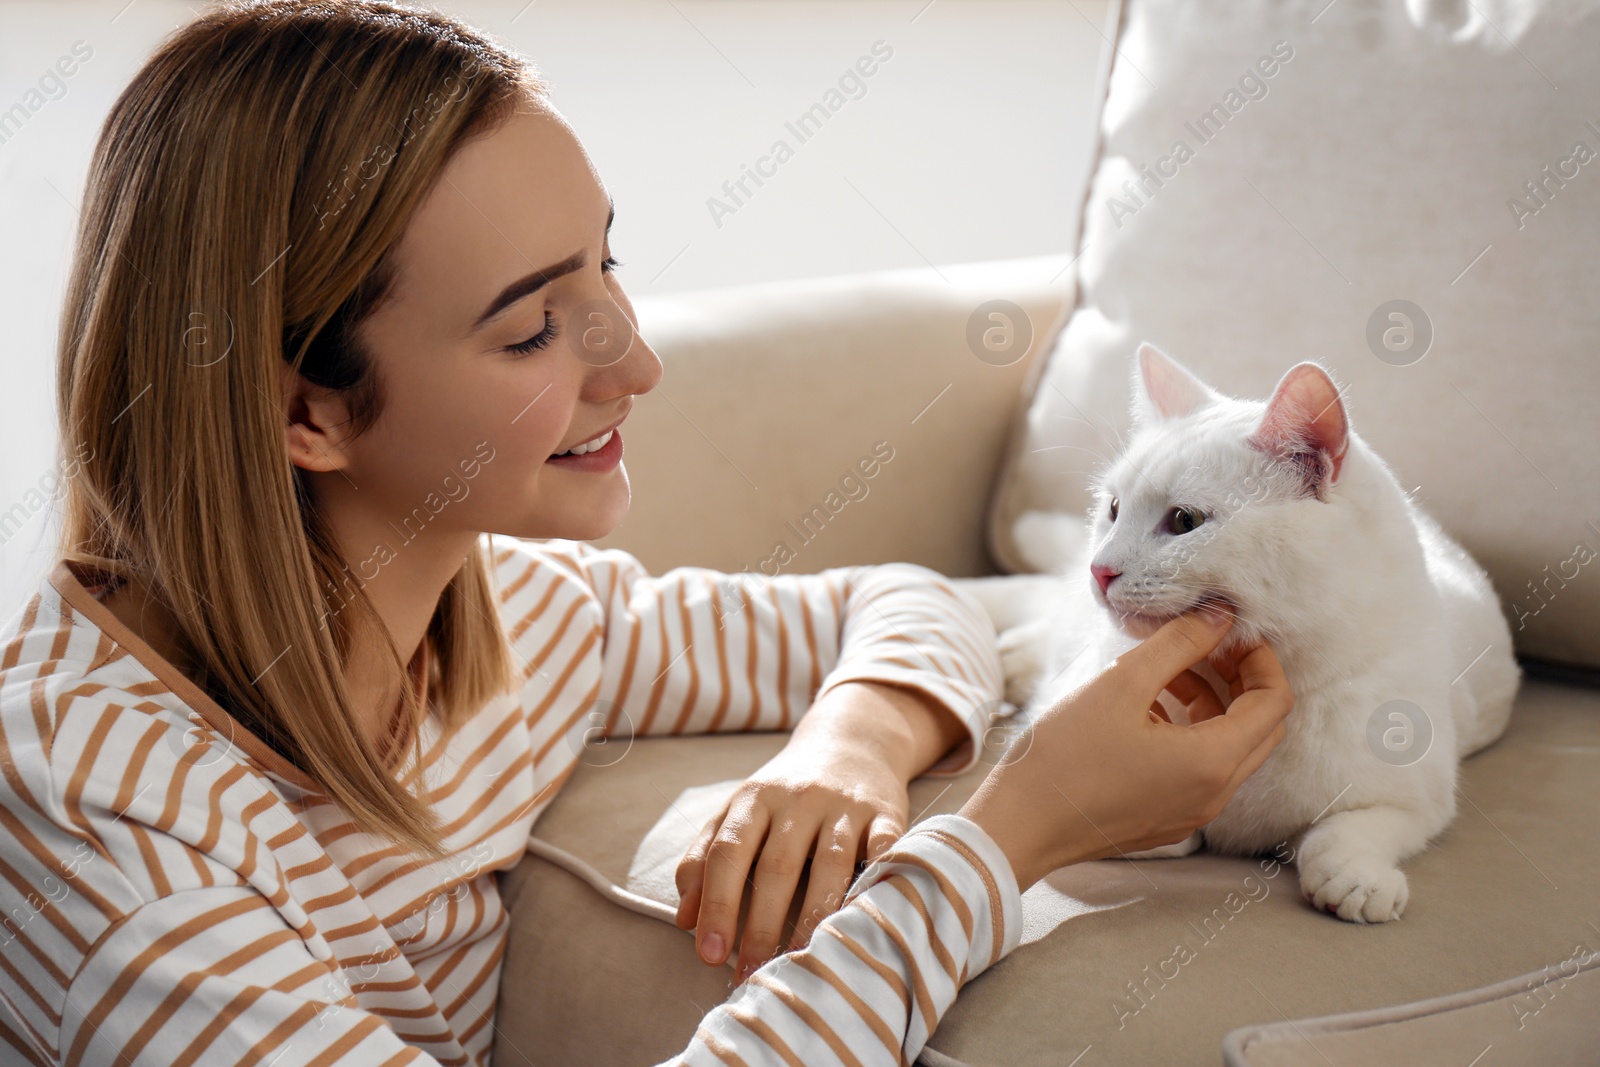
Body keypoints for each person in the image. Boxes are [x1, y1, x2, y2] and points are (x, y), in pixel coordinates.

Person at [0, 2, 1293, 1064]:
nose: (636, 364)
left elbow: (900, 603)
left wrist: (855, 747)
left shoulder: (509, 620)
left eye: (603, 270)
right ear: (308, 412)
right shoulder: (101, 821)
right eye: (529, 328)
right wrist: (1013, 834)